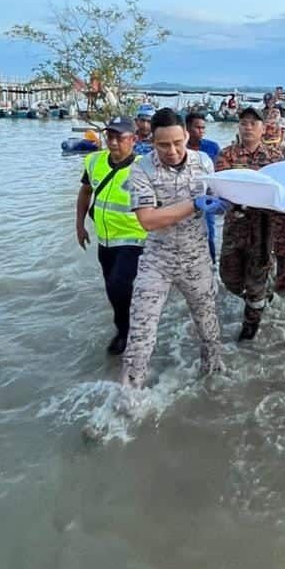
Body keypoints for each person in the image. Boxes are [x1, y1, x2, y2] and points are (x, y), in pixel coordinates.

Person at [89, 109, 224, 420]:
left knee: (208, 328)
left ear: (188, 137)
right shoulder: (141, 170)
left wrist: (222, 205)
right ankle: (126, 404)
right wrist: (194, 205)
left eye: (178, 143)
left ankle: (214, 383)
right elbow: (148, 220)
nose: (173, 151)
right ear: (152, 141)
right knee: (140, 332)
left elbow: (217, 198)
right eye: (164, 145)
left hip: (196, 259)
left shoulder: (204, 163)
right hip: (156, 261)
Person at [75, 115, 146, 355]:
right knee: (111, 288)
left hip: (135, 239)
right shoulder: (94, 161)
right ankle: (126, 323)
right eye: (110, 136)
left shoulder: (144, 167)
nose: (113, 142)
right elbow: (85, 192)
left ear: (133, 140)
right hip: (105, 239)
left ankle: (126, 332)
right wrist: (80, 224)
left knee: (119, 285)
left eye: (120, 138)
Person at [215, 107, 284, 339]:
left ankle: (250, 327)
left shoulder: (276, 157)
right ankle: (260, 293)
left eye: (253, 123)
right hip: (235, 226)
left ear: (263, 128)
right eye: (244, 122)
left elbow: (282, 190)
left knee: (256, 281)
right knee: (229, 279)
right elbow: (221, 187)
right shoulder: (227, 155)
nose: (248, 127)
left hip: (264, 227)